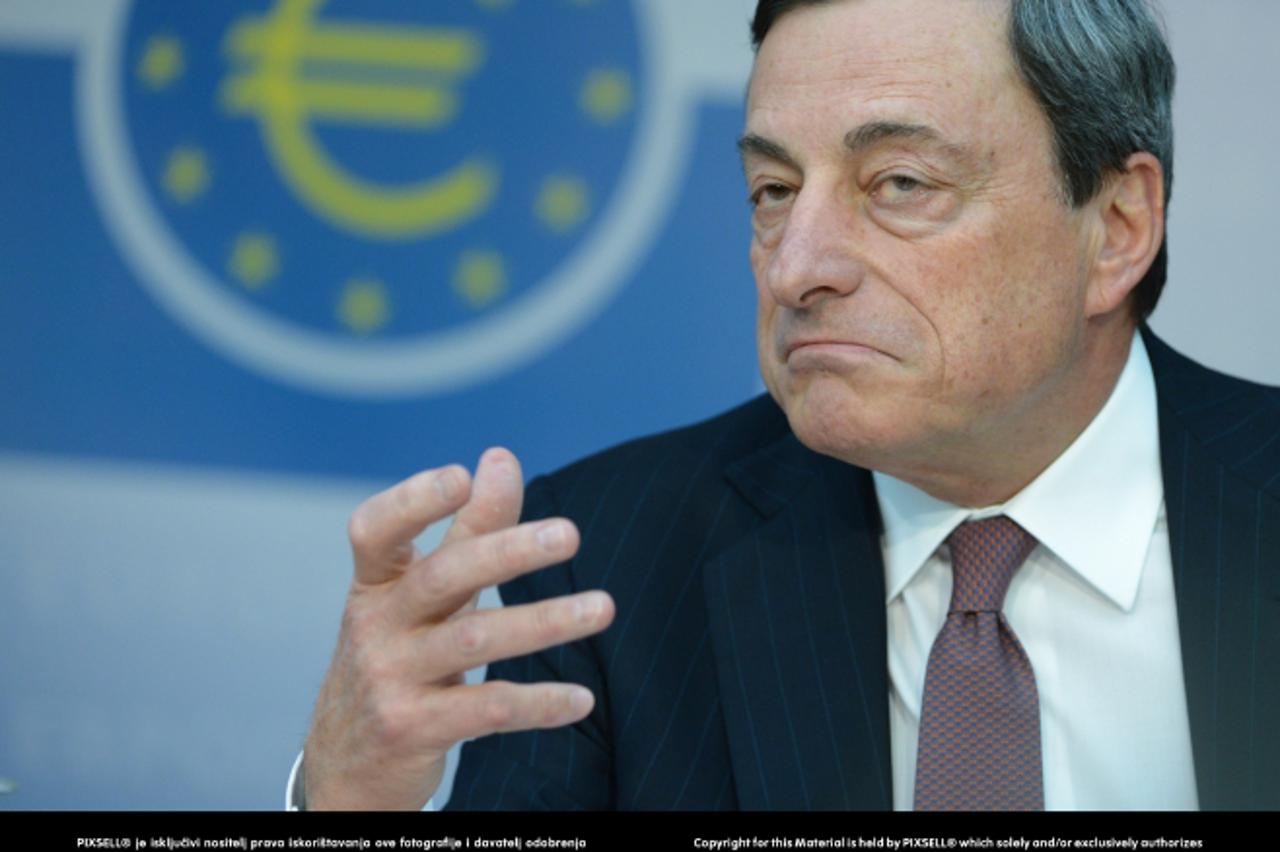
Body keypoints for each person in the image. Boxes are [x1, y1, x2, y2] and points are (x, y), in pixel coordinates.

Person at [293, 0, 1280, 810]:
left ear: (1114, 227)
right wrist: (348, 807)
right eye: (771, 190)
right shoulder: (602, 565)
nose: (796, 266)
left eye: (897, 182)